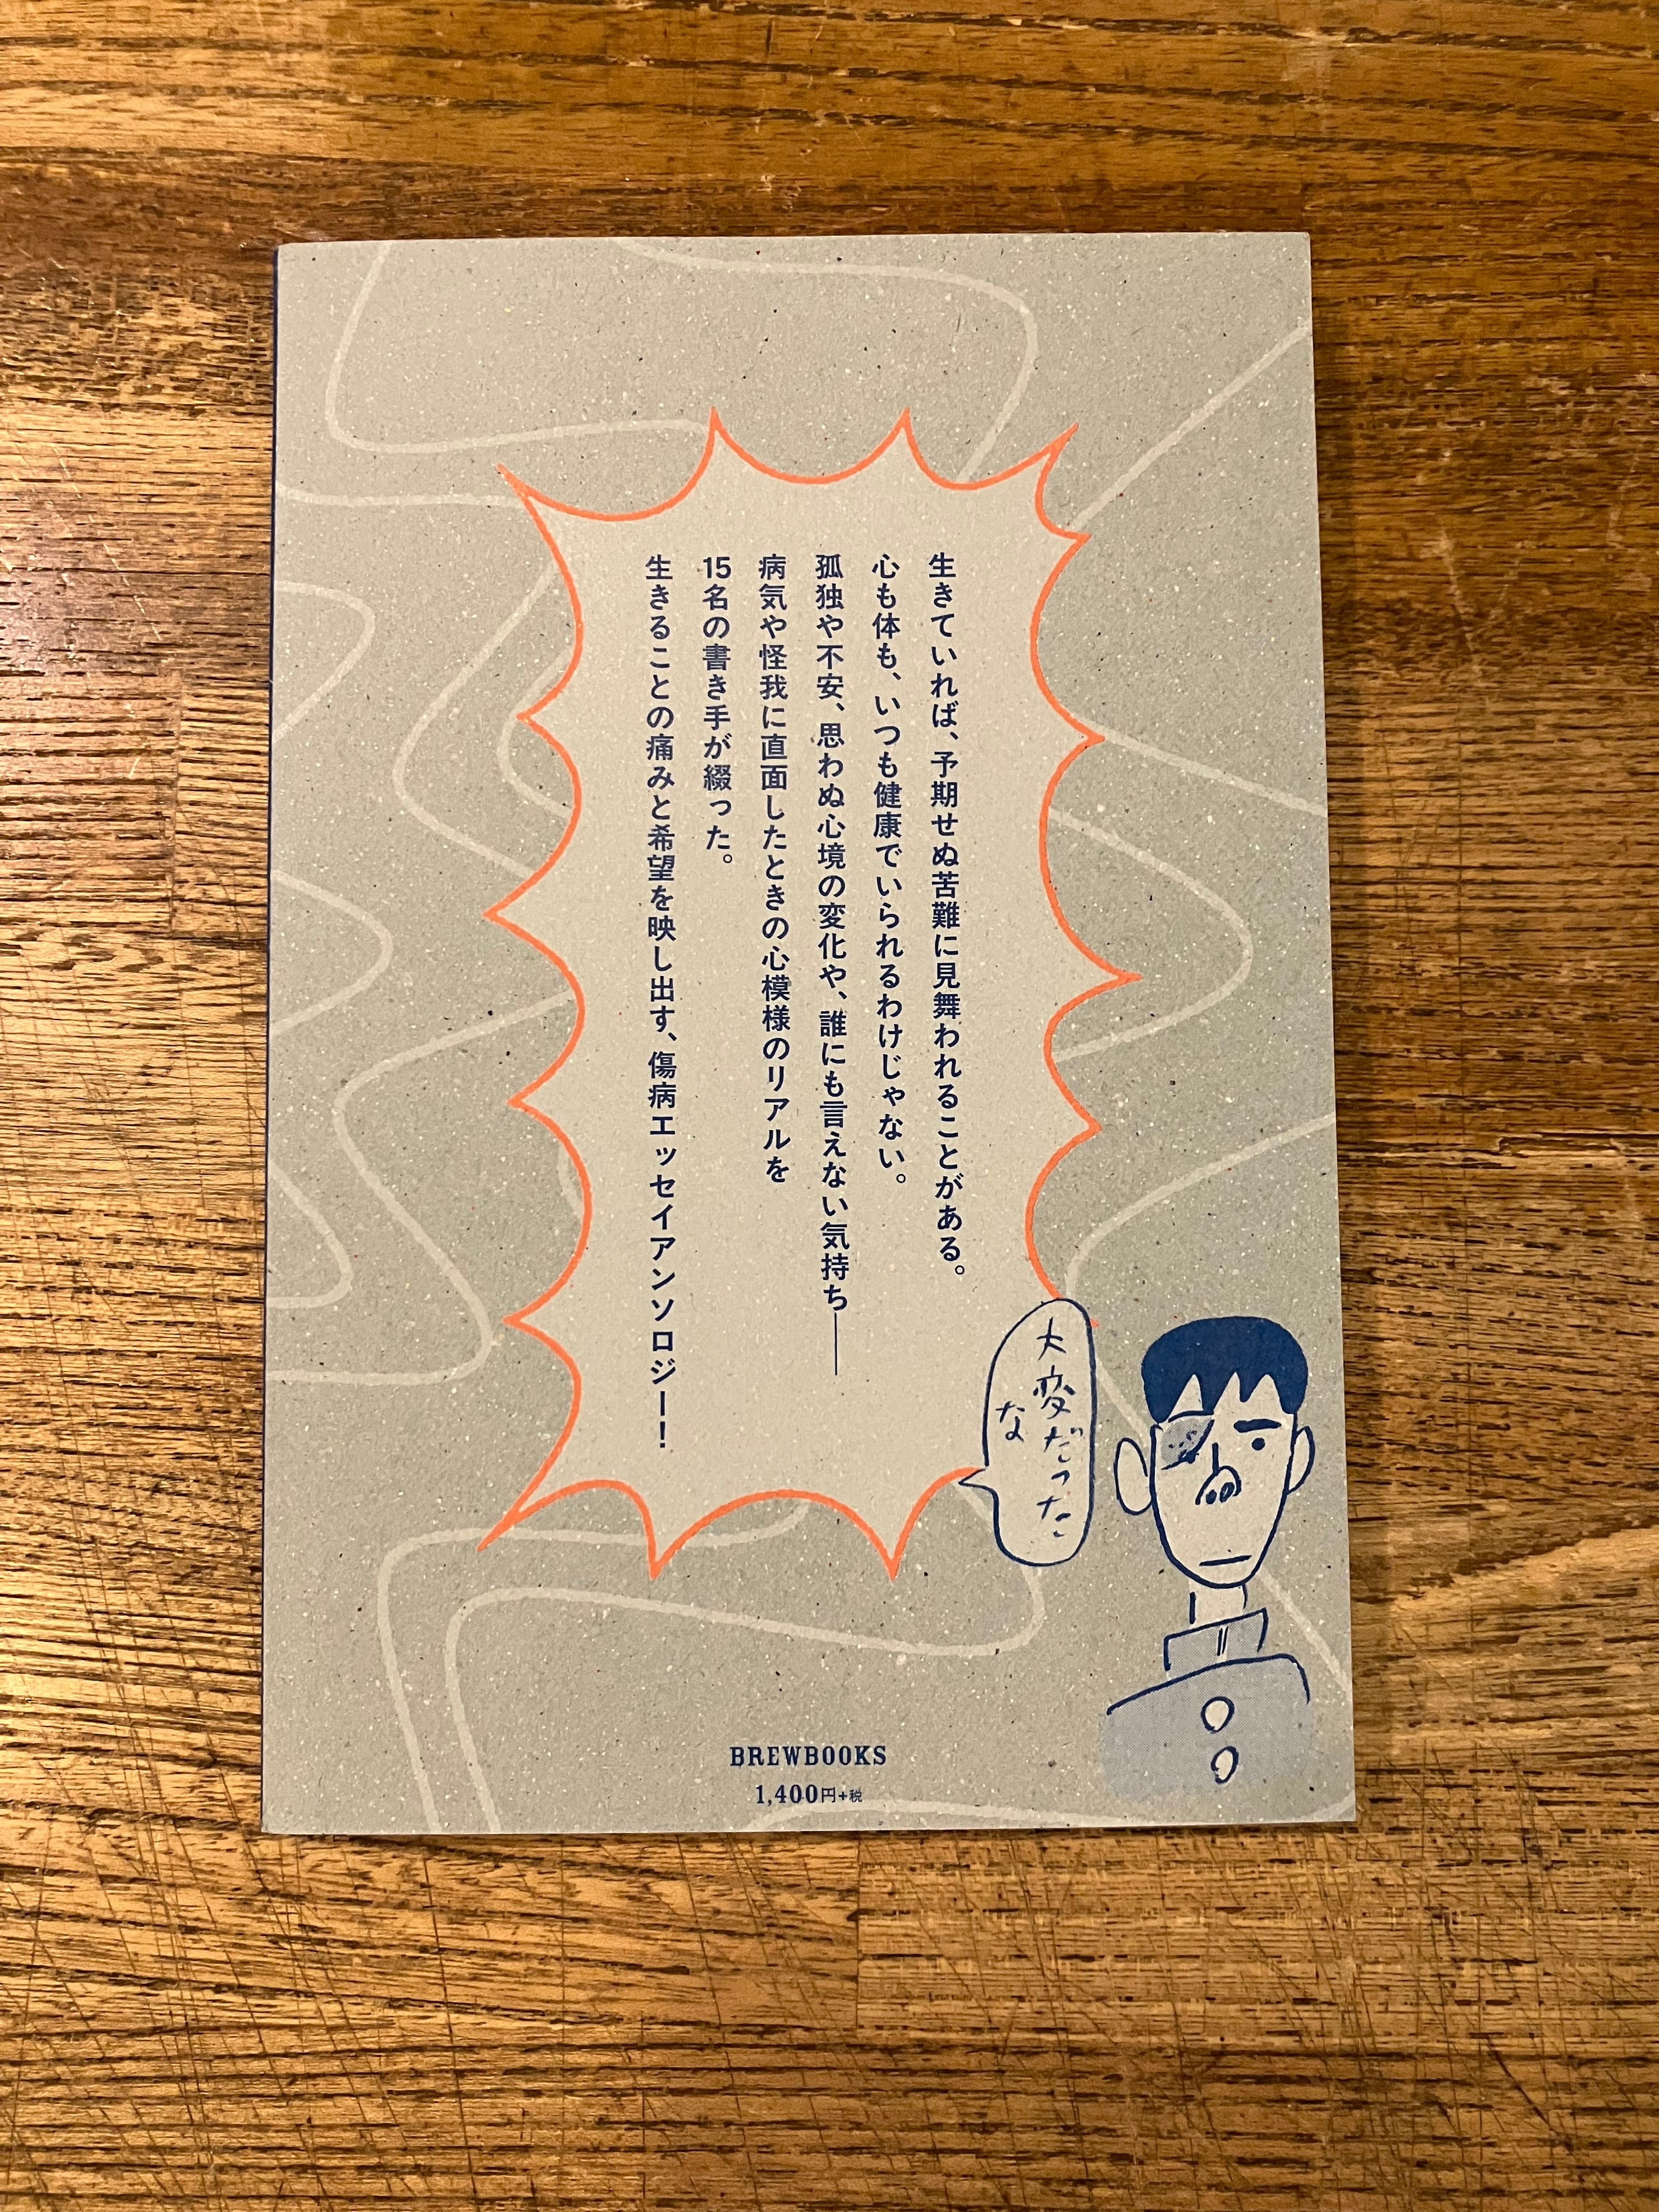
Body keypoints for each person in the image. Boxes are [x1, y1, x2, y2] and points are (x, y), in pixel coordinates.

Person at [1099, 1315, 1316, 1809]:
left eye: (1257, 1443)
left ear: (1296, 1460)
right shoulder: (1127, 1731)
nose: (1222, 1480)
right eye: (1188, 1451)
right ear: (1138, 1477)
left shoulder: (1292, 1693)